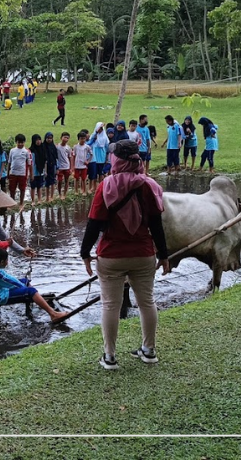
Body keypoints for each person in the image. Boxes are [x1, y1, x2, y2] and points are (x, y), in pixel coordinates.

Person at [80, 140, 169, 370]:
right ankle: (149, 351)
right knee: (147, 302)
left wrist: (85, 253)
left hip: (111, 255)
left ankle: (109, 357)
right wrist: (165, 255)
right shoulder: (149, 186)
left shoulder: (106, 186)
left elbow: (94, 224)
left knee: (110, 305)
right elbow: (157, 225)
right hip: (143, 253)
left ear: (116, 160)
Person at [0, 249, 69, 321]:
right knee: (30, 291)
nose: (7, 262)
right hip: (1, 296)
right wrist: (25, 288)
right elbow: (11, 283)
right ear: (2, 261)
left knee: (25, 281)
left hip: (2, 290)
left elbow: (9, 278)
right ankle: (53, 314)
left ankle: (40, 301)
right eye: (7, 260)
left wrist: (24, 283)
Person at [8, 133, 32, 209]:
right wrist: (8, 172)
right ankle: (12, 203)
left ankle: (21, 203)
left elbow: (30, 164)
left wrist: (31, 174)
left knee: (22, 189)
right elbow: (9, 162)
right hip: (13, 173)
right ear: (16, 142)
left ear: (24, 142)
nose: (20, 144)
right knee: (12, 189)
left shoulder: (26, 151)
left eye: (22, 142)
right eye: (19, 142)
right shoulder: (12, 151)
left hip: (22, 173)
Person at [87, 122, 109, 192]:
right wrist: (96, 132)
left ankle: (100, 186)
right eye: (99, 128)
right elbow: (91, 141)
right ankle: (94, 186)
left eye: (101, 129)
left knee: (100, 173)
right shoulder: (94, 136)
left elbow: (107, 147)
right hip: (94, 157)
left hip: (102, 156)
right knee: (94, 173)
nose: (100, 130)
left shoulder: (105, 137)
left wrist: (106, 157)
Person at [29, 134, 47, 206]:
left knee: (39, 186)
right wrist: (30, 173)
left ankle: (39, 200)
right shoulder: (31, 151)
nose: (38, 141)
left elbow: (45, 161)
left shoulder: (43, 149)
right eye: (36, 140)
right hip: (33, 172)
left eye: (39, 140)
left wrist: (45, 171)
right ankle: (33, 201)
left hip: (40, 171)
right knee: (33, 187)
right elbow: (30, 163)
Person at [72, 131, 92, 195]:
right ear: (78, 139)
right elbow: (73, 156)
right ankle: (76, 191)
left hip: (84, 165)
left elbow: (91, 154)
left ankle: (84, 190)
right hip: (77, 165)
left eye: (84, 138)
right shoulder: (75, 147)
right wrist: (73, 166)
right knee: (76, 178)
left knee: (84, 179)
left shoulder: (87, 147)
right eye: (81, 138)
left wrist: (88, 161)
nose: (83, 140)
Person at [56, 131, 74, 200]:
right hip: (60, 167)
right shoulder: (57, 147)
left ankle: (65, 194)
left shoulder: (68, 148)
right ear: (61, 138)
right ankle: (60, 194)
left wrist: (71, 168)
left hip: (66, 166)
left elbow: (70, 157)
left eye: (67, 138)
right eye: (65, 137)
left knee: (66, 180)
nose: (66, 139)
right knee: (59, 181)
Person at [43, 132, 60, 202]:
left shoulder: (53, 146)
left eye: (50, 138)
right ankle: (47, 197)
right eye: (48, 138)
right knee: (47, 182)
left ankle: (52, 196)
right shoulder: (43, 146)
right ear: (45, 138)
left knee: (52, 181)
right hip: (46, 166)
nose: (49, 140)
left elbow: (56, 157)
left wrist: (57, 167)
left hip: (53, 165)